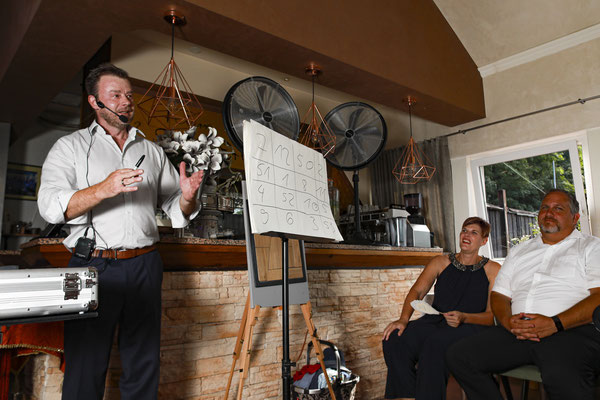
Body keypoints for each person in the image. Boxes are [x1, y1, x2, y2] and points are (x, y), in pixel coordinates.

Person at [37, 63, 204, 400]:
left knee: (143, 364)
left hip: (145, 264)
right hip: (91, 266)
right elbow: (51, 207)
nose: (126, 102)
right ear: (94, 102)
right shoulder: (68, 147)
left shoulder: (152, 152)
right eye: (115, 95)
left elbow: (176, 210)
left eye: (129, 95)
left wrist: (187, 197)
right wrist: (103, 188)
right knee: (86, 365)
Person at [447, 189, 600, 400]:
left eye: (558, 209)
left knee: (561, 372)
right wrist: (508, 323)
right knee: (459, 356)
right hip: (518, 329)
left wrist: (555, 323)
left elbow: (598, 296)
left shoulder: (592, 247)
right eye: (544, 208)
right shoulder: (520, 251)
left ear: (575, 218)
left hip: (571, 331)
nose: (549, 213)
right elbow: (499, 296)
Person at [381, 217, 501, 400]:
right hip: (435, 321)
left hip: (471, 326)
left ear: (484, 241)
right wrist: (403, 319)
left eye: (474, 232)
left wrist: (465, 317)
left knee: (435, 344)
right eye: (464, 230)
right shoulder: (440, 262)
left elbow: (491, 316)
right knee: (394, 338)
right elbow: (417, 291)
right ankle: (407, 396)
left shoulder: (493, 269)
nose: (466, 235)